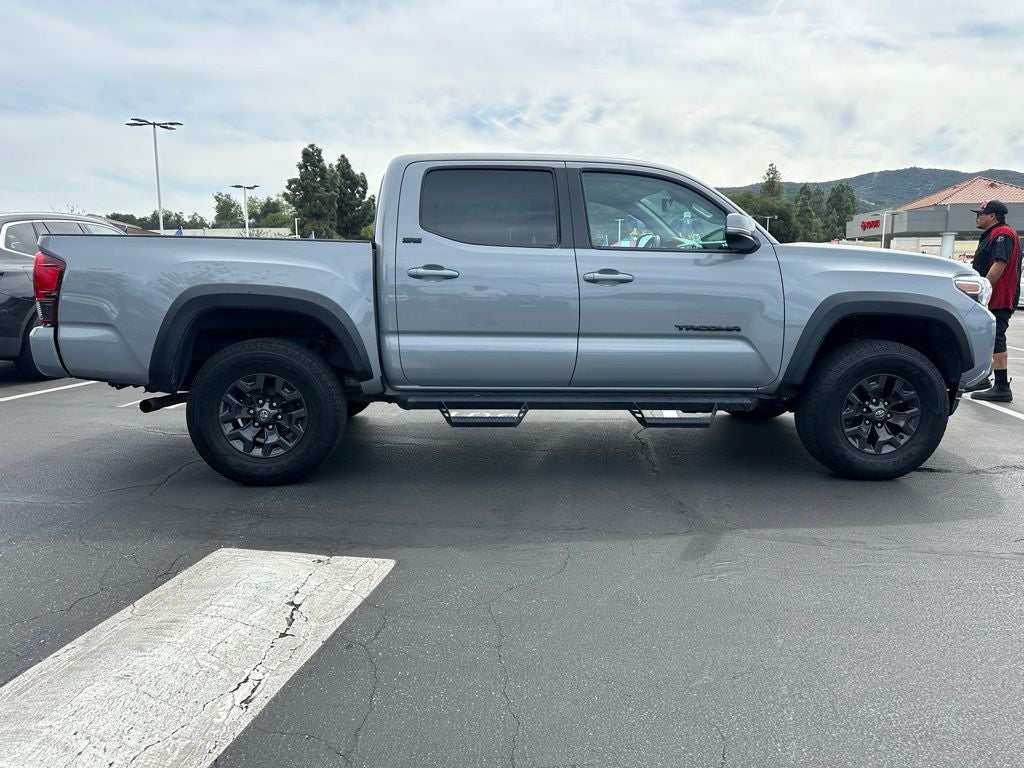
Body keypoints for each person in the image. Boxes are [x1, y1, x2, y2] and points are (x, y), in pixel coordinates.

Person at [969, 200, 1020, 402]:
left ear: (993, 216)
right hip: (994, 296)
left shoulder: (1003, 234)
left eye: (981, 213)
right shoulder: (995, 233)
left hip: (999, 296)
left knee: (996, 336)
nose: (977, 216)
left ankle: (1001, 387)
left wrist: (983, 290)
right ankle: (983, 378)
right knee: (986, 336)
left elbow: (1000, 263)